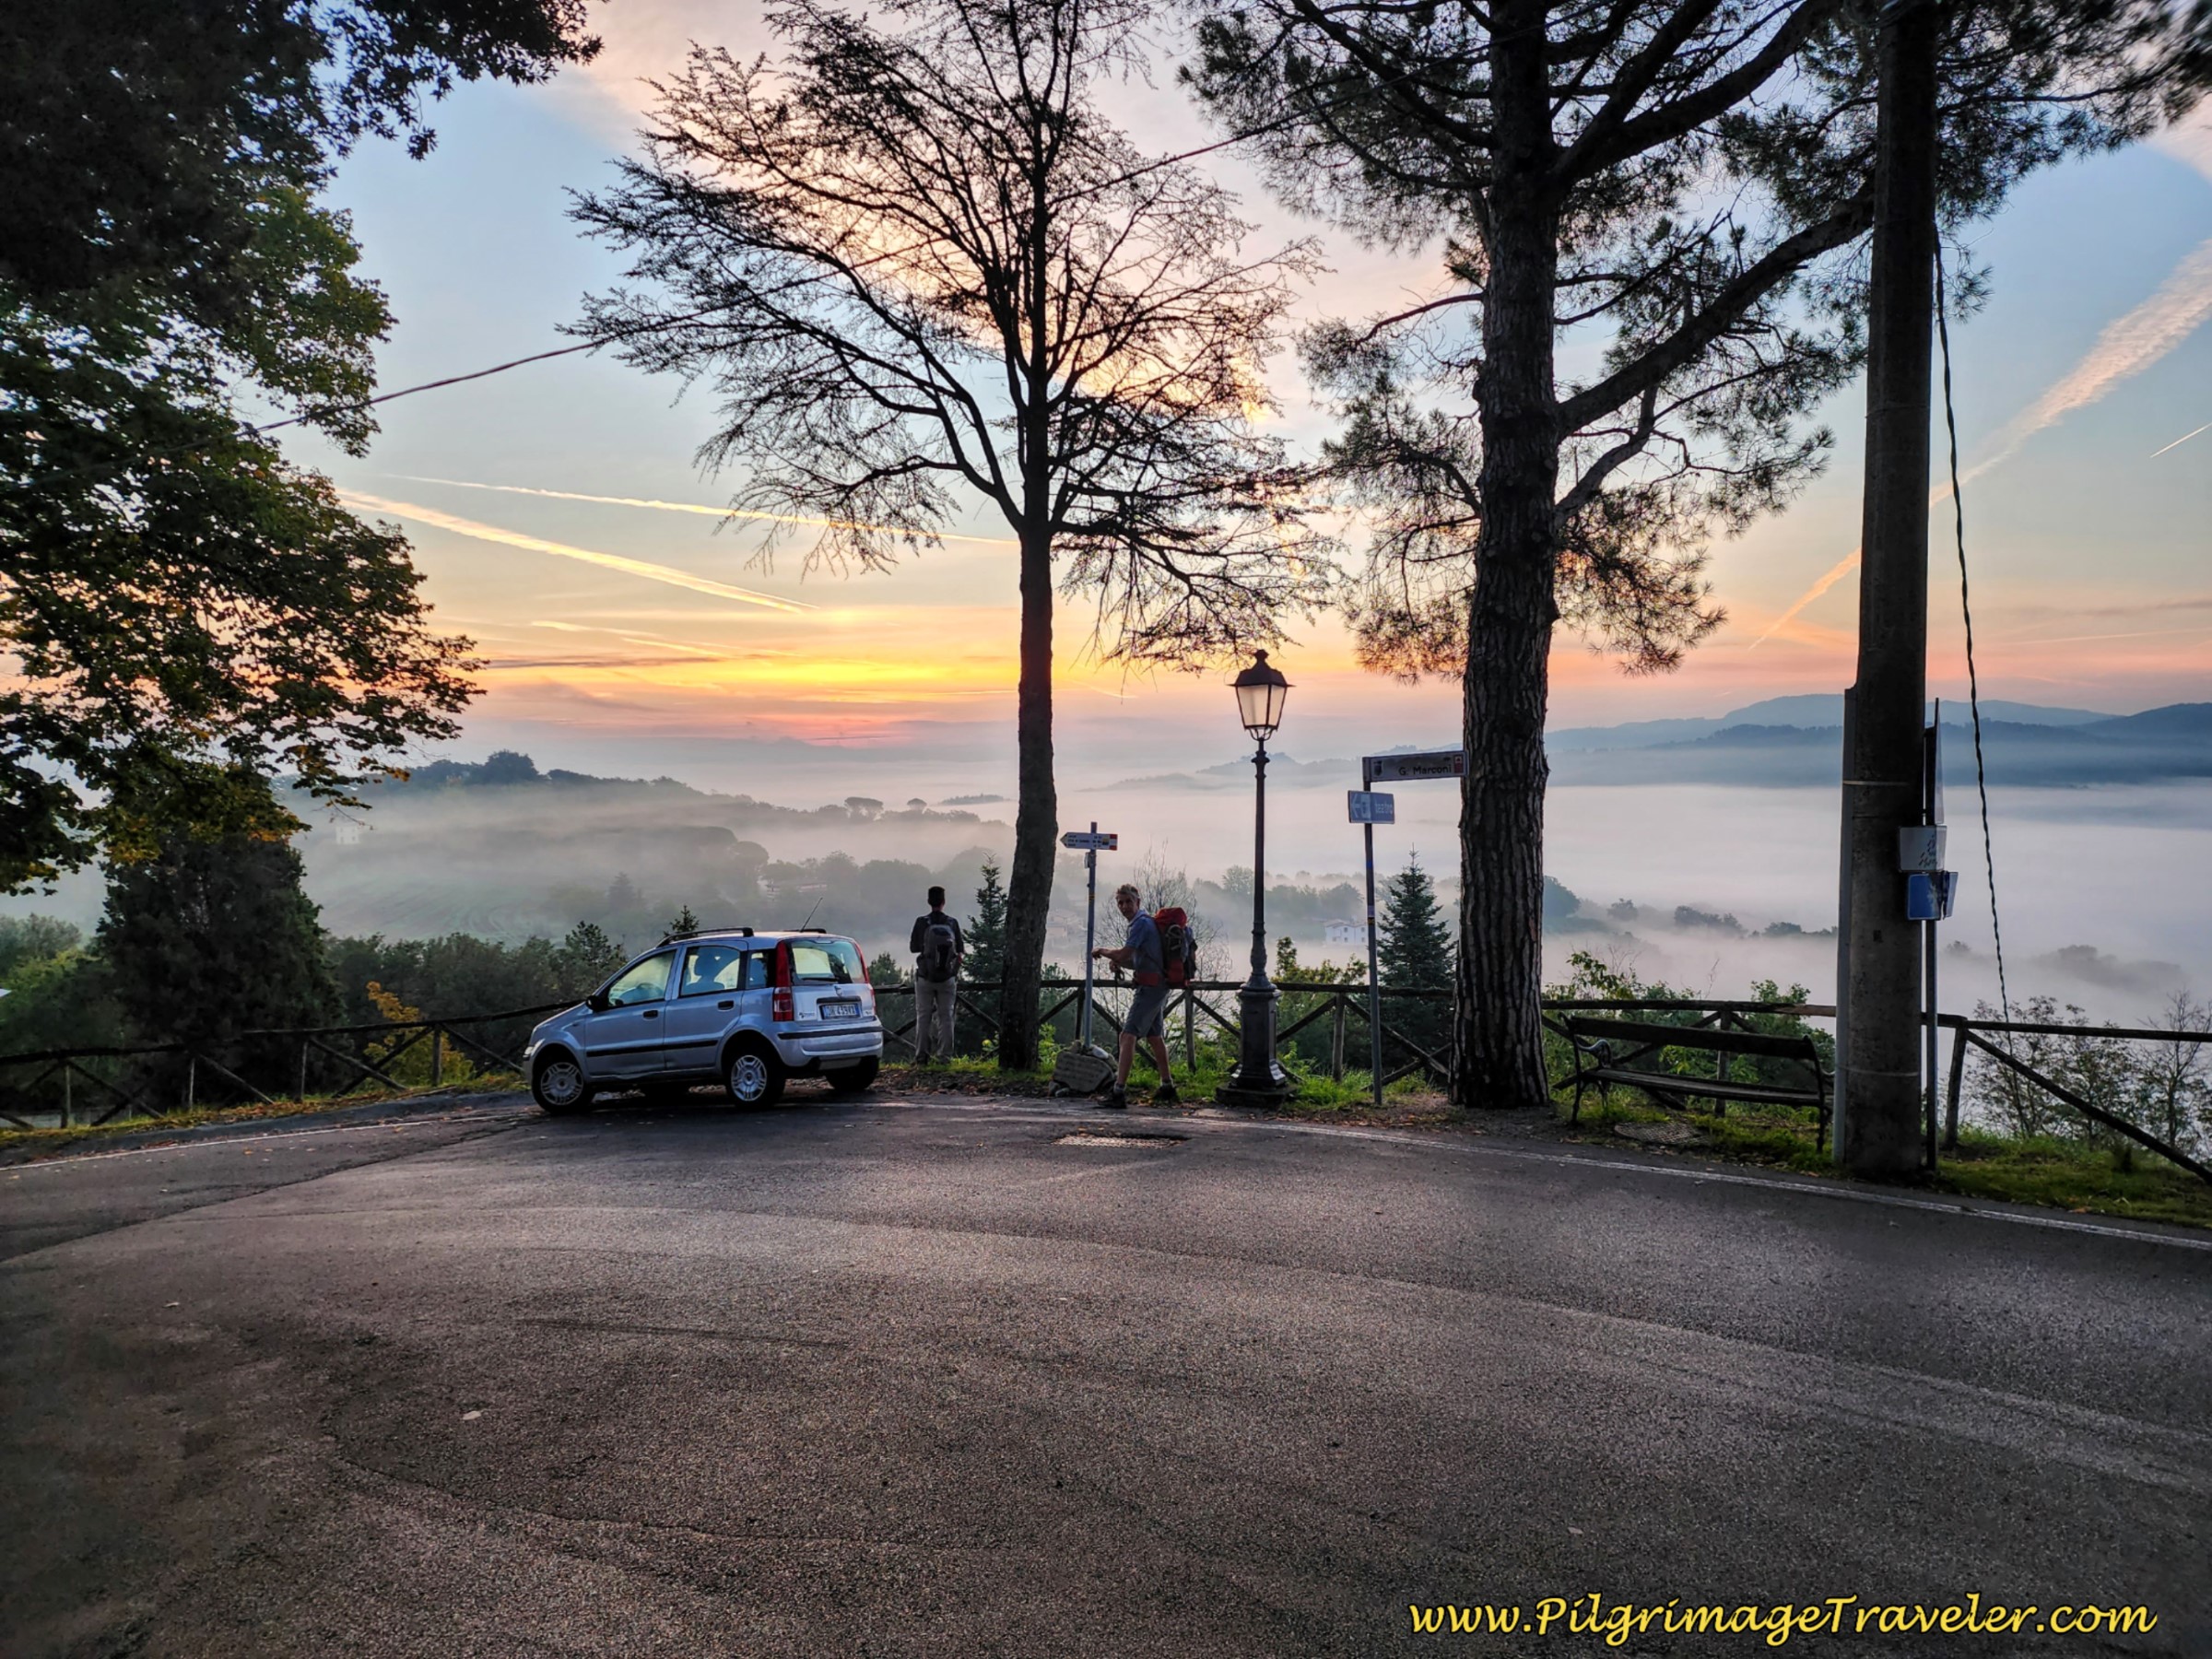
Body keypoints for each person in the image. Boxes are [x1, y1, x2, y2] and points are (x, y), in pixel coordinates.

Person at [1090, 883, 1179, 1109]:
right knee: (1154, 1036)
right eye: (1120, 902)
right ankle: (1167, 1086)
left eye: (1128, 901)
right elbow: (1138, 959)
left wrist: (1102, 951)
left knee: (1127, 1036)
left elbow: (1124, 953)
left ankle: (1118, 1092)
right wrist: (1120, 961)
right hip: (1157, 986)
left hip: (1149, 990)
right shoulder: (1146, 922)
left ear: (1138, 902)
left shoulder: (1139, 924)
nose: (1124, 906)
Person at [908, 886, 965, 1064]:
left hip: (925, 977)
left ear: (928, 901)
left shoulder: (921, 922)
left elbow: (913, 948)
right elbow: (961, 951)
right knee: (946, 1017)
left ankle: (921, 1057)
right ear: (943, 902)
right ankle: (945, 1057)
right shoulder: (952, 923)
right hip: (947, 978)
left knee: (924, 1017)